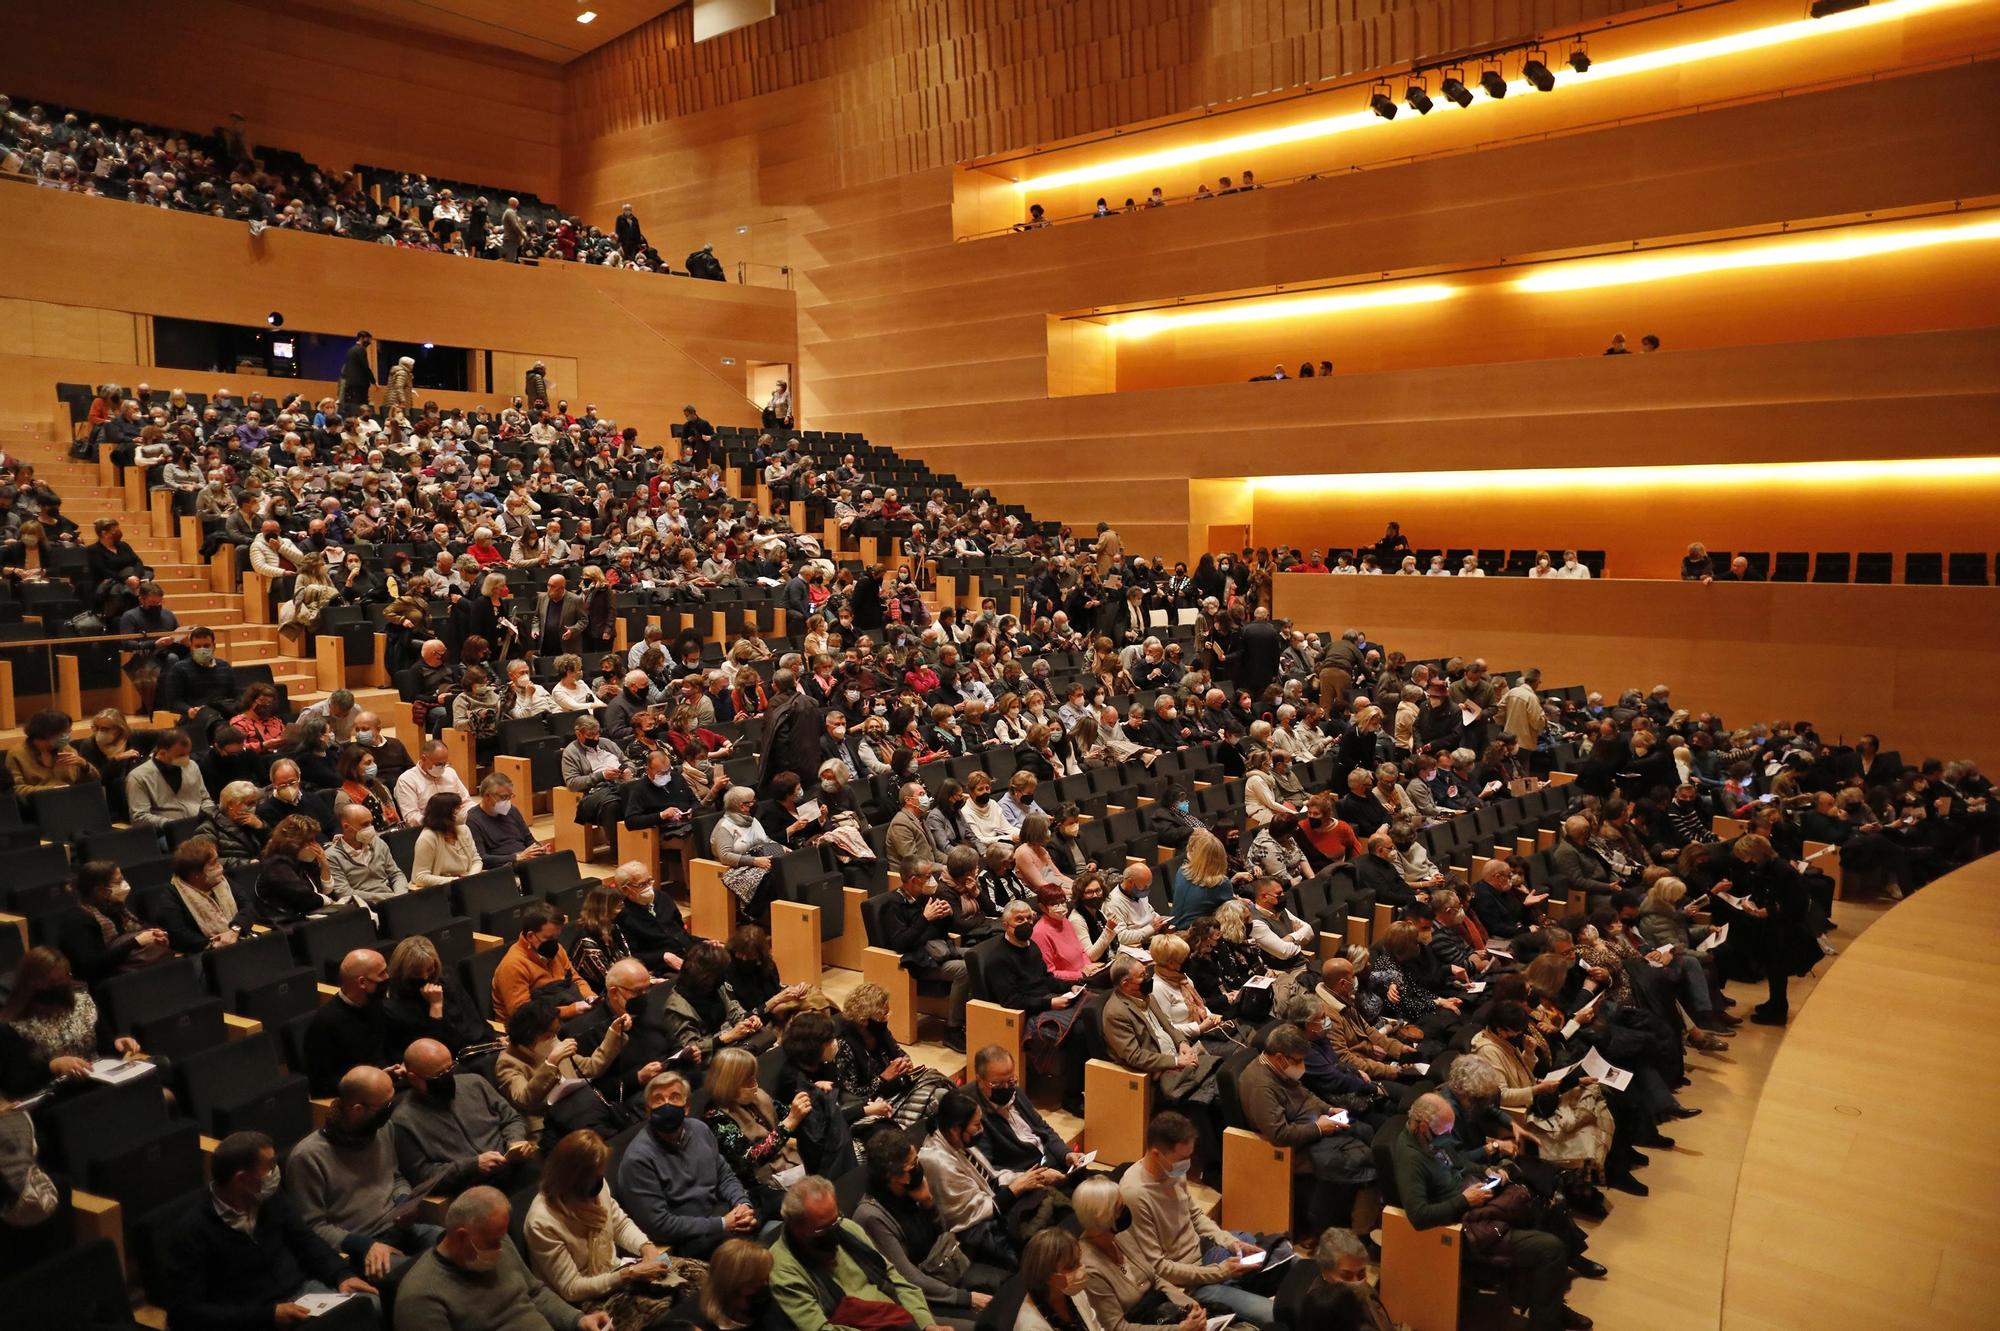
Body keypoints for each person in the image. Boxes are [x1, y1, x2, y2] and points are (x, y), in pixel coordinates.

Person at [1390, 1093, 1585, 1331]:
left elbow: (1460, 1164)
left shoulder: (1432, 1139)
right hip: (1467, 1227)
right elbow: (1419, 1216)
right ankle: (1546, 1322)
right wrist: (1464, 1200)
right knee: (1550, 1249)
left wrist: (1488, 1171)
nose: (1450, 1136)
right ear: (1422, 1126)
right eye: (1445, 1132)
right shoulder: (1411, 1159)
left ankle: (1549, 1305)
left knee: (1546, 1210)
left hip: (1478, 1202)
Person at [162, 1130, 377, 1331]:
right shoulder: (191, 1232)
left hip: (302, 1293)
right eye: (270, 1166)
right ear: (242, 1179)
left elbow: (305, 1240)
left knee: (370, 1305)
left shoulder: (269, 1198)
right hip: (250, 1317)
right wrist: (266, 1315)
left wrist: (340, 1273)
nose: (276, 1171)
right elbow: (184, 1312)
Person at [1119, 1111, 1286, 1325]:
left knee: (1289, 1259)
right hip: (1189, 1284)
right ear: (1156, 1154)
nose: (1187, 1164)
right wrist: (1220, 1272)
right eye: (1181, 1158)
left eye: (1190, 1156)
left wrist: (1230, 1242)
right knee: (1272, 1316)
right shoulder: (1135, 1194)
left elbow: (1196, 1216)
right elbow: (1159, 1268)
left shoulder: (1172, 1171)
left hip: (1207, 1255)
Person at [524, 1129, 691, 1329]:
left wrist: (646, 1247)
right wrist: (627, 1275)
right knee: (663, 1314)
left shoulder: (595, 1185)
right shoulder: (542, 1222)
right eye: (595, 1176)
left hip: (617, 1271)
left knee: (696, 1278)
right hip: (588, 1300)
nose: (600, 1180)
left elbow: (619, 1225)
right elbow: (571, 1288)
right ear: (573, 1179)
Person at [287, 1065, 440, 1281]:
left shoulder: (382, 1129)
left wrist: (404, 1201)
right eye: (385, 1105)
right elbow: (312, 1227)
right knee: (423, 1276)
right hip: (360, 1247)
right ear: (357, 1109)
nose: (391, 1109)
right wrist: (363, 1245)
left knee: (455, 1243)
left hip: (401, 1230)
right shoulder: (307, 1157)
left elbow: (395, 1177)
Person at [394, 1185, 613, 1331]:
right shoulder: (420, 1297)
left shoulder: (499, 1241)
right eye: (493, 1241)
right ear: (462, 1236)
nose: (501, 1247)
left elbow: (536, 1293)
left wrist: (578, 1320)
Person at [854, 1127, 1001, 1330]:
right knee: (985, 1324)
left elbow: (943, 1236)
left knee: (1006, 1287)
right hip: (920, 1297)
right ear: (892, 1176)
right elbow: (908, 1278)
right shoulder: (872, 1217)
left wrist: (928, 1203)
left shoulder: (911, 1190)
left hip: (944, 1270)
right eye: (912, 1166)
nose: (918, 1168)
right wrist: (966, 1298)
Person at [1238, 1024, 1378, 1233]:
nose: (1301, 1065)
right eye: (1298, 1061)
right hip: (1294, 1147)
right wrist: (1319, 1128)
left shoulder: (1280, 1069)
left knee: (1365, 1131)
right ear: (1280, 1057)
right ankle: (1355, 1231)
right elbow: (1280, 1134)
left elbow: (1305, 1095)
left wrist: (1328, 1109)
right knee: (1364, 1160)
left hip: (1314, 1125)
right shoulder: (1261, 1086)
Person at [615, 1070, 758, 1260]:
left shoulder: (699, 1129)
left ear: (686, 1107)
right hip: (688, 1239)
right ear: (648, 1112)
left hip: (721, 1214)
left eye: (674, 1097)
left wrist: (742, 1205)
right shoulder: (638, 1159)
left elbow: (724, 1175)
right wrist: (722, 1224)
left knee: (774, 1203)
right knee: (746, 1250)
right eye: (658, 1099)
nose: (666, 1104)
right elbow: (659, 1226)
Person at [769, 1174, 941, 1331]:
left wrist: (926, 1323)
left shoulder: (846, 1229)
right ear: (796, 1227)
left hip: (902, 1315)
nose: (834, 1230)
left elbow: (894, 1277)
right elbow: (819, 1328)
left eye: (835, 1220)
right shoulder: (783, 1270)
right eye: (822, 1229)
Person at [391, 1038, 539, 1196]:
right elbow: (423, 1177)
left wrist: (515, 1141)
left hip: (514, 1167)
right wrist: (472, 1166)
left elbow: (511, 1118)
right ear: (414, 1078)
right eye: (439, 1075)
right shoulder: (403, 1120)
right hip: (471, 1188)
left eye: (450, 1068)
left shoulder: (475, 1083)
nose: (448, 1076)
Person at [882, 859, 970, 1051]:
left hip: (938, 951)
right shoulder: (893, 904)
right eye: (928, 876)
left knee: (976, 956)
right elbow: (901, 943)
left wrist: (945, 917)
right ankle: (953, 1030)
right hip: (919, 962)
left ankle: (972, 1018)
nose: (933, 880)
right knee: (964, 970)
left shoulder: (923, 897)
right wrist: (925, 918)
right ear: (914, 879)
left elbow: (938, 933)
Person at [303, 948, 392, 1096]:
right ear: (362, 982)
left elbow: (384, 1049)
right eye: (381, 974)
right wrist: (369, 1082)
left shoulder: (375, 1004)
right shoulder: (324, 1024)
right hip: (356, 1099)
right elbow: (320, 1084)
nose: (387, 977)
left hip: (383, 1084)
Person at [493, 902, 598, 1022]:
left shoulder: (557, 950)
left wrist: (589, 996)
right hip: (533, 1029)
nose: (554, 943)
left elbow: (575, 979)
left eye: (556, 938)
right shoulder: (513, 965)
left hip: (563, 1013)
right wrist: (570, 1011)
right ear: (531, 936)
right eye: (549, 939)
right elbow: (523, 1015)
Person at [325, 801, 410, 913]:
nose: (371, 828)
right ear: (346, 827)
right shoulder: (332, 856)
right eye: (365, 824)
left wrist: (400, 895)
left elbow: (395, 874)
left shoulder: (378, 843)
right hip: (365, 909)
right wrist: (388, 898)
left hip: (394, 901)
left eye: (371, 823)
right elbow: (344, 892)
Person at [467, 772, 549, 868]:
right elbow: (481, 858)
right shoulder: (472, 820)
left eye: (510, 796)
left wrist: (538, 849)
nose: (508, 801)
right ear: (487, 796)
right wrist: (516, 857)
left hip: (526, 861)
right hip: (504, 868)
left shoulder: (512, 810)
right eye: (504, 797)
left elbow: (529, 839)